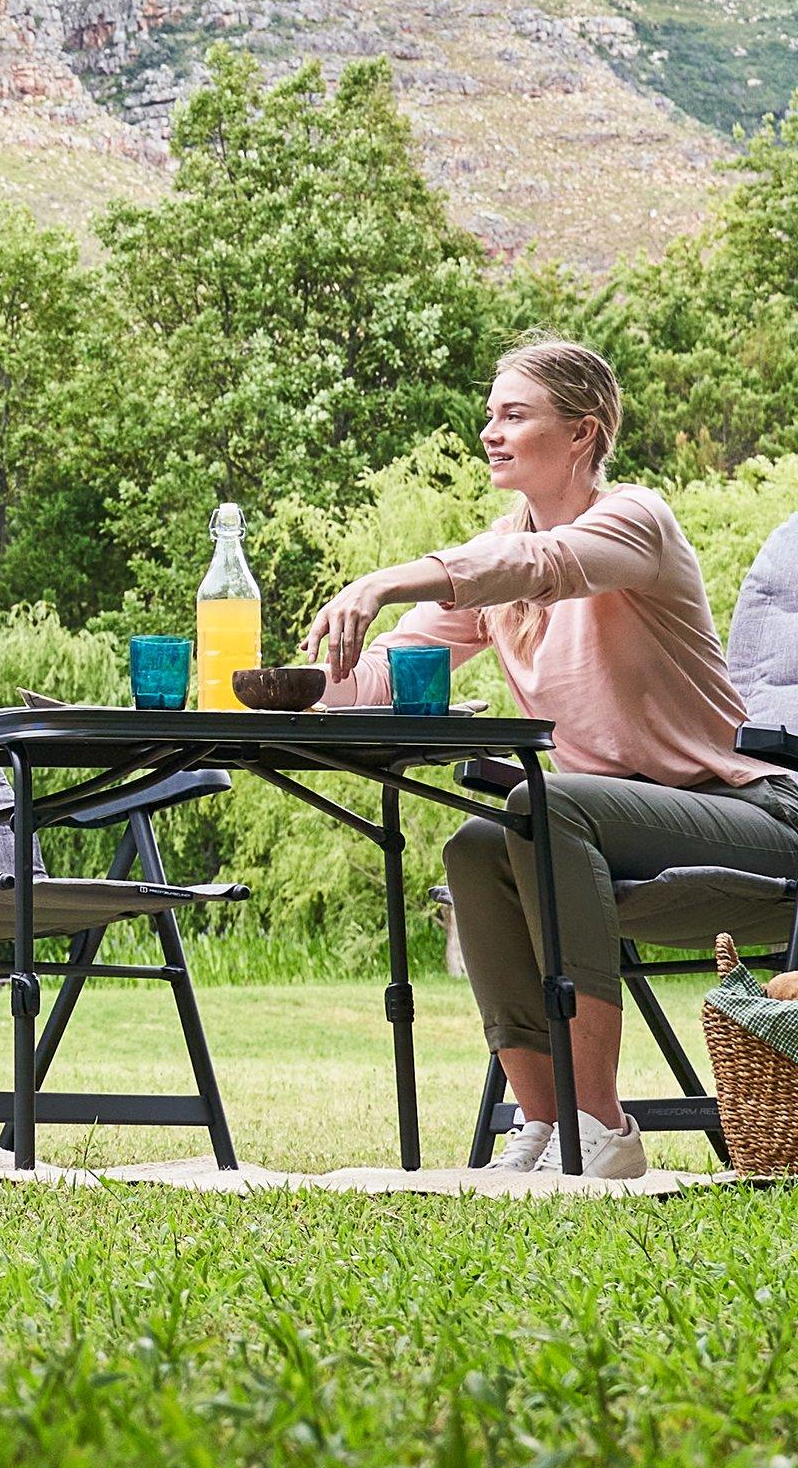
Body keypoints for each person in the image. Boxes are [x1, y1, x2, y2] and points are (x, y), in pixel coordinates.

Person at [309, 338, 798, 1182]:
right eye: (489, 415)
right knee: (474, 842)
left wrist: (388, 579)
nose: (491, 432)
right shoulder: (495, 558)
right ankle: (544, 1121)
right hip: (600, 835)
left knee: (545, 802)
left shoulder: (635, 521)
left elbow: (546, 564)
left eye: (515, 415)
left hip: (750, 819)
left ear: (582, 432)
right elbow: (394, 672)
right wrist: (297, 682)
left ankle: (602, 1123)